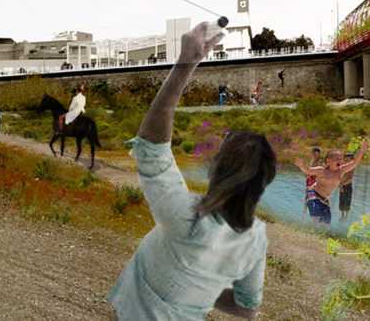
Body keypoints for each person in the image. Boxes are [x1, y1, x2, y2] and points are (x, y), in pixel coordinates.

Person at [109, 22, 275, 320]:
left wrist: (186, 64)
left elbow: (151, 148)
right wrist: (199, 291)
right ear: (263, 183)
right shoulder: (255, 239)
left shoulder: (184, 216)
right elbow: (247, 308)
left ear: (215, 167)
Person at [294, 141, 370, 225]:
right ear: (328, 161)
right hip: (313, 195)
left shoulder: (341, 171)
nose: (339, 161)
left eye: (341, 159)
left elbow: (355, 163)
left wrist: (362, 151)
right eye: (336, 159)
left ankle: (311, 230)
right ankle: (310, 232)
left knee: (326, 223)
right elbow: (308, 170)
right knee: (317, 220)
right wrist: (301, 166)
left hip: (325, 199)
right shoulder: (321, 170)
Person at [303, 147, 322, 216]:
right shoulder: (312, 161)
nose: (315, 155)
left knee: (312, 200)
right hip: (309, 182)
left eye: (316, 154)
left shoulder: (320, 162)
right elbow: (308, 171)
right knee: (307, 199)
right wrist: (307, 175)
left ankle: (314, 217)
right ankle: (304, 216)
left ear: (319, 154)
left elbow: (320, 173)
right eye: (314, 154)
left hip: (314, 183)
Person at [339, 151, 356, 221]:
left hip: (347, 186)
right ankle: (342, 216)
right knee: (342, 201)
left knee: (347, 201)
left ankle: (346, 217)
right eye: (345, 159)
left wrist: (342, 185)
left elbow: (350, 179)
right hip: (342, 186)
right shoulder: (343, 166)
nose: (346, 160)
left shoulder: (351, 167)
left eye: (348, 159)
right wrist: (340, 185)